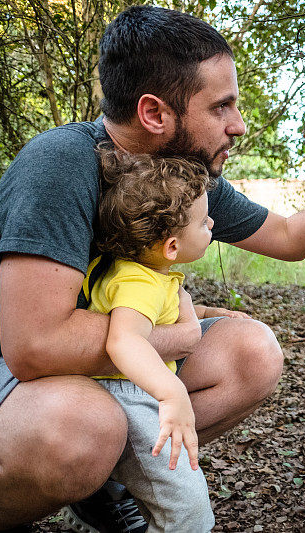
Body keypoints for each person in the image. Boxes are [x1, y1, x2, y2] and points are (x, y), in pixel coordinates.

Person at [0, 5, 305, 532]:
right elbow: (35, 347)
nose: (237, 126)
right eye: (222, 107)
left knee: (251, 354)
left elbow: (288, 237)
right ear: (154, 114)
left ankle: (111, 482)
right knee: (85, 430)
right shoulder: (61, 165)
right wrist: (179, 334)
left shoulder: (182, 177)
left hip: (87, 362)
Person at [62, 147, 235, 532]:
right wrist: (171, 393)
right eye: (204, 222)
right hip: (130, 396)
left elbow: (159, 308)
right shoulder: (139, 282)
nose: (212, 226)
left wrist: (208, 314)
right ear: (171, 246)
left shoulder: (141, 271)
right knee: (187, 511)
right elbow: (124, 341)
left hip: (129, 391)